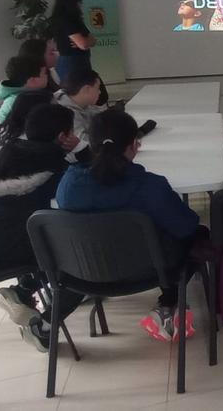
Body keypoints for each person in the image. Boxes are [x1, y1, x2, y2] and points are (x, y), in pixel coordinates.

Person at [55, 109, 202, 342]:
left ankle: (169, 303)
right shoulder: (150, 187)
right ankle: (171, 300)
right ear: (135, 145)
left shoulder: (68, 185)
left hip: (86, 272)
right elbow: (186, 227)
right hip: (149, 271)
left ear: (90, 144)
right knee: (200, 236)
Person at [0, 104, 83, 352]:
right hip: (18, 245)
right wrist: (80, 150)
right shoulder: (53, 163)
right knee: (84, 268)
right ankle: (43, 326)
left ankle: (22, 292)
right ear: (62, 137)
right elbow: (86, 182)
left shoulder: (9, 151)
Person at [54, 68, 104, 161]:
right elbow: (84, 142)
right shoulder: (66, 112)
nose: (100, 92)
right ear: (87, 89)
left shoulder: (79, 102)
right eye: (98, 88)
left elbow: (98, 115)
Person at [49, 0, 95, 84]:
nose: (81, 4)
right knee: (76, 90)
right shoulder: (66, 21)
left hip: (78, 60)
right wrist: (86, 41)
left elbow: (92, 40)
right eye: (79, 1)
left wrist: (87, 41)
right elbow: (84, 44)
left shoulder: (75, 20)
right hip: (72, 62)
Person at [0, 56, 50, 124]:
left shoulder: (29, 93)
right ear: (32, 80)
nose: (47, 75)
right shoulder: (16, 102)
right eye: (45, 73)